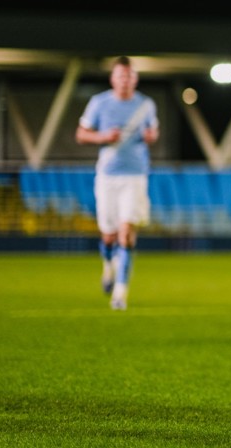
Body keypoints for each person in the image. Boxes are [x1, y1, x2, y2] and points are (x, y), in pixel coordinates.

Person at [75, 55, 159, 312]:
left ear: (135, 79)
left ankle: (120, 293)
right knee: (109, 235)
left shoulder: (145, 104)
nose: (125, 80)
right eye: (121, 76)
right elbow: (81, 134)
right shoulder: (99, 103)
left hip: (135, 176)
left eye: (130, 76)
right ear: (114, 78)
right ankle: (108, 268)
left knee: (126, 232)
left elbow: (153, 132)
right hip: (107, 176)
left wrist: (150, 136)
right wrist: (102, 136)